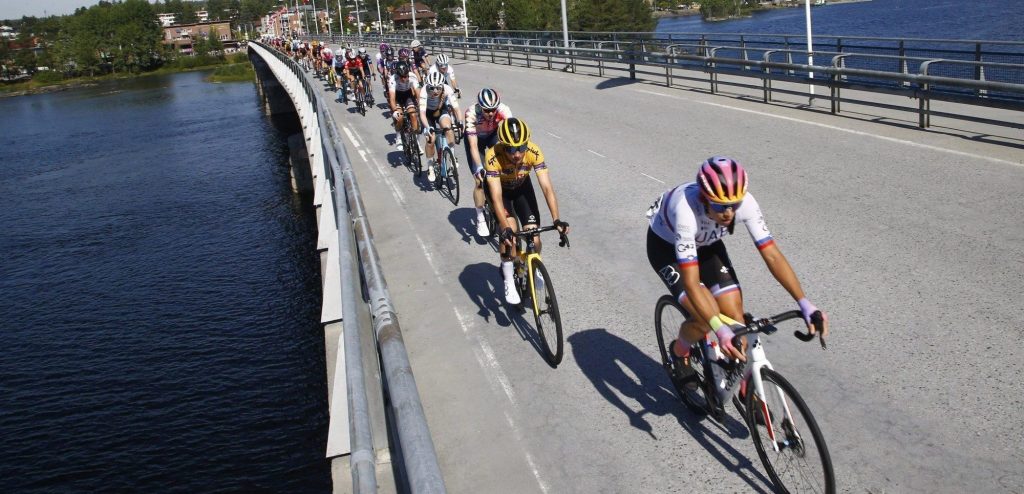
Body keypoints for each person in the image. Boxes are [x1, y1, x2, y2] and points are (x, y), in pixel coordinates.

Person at [645, 156, 828, 385]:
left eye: (735, 204)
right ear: (704, 198)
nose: (729, 213)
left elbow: (772, 255)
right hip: (667, 249)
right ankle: (680, 352)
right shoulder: (686, 212)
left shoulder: (746, 203)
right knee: (704, 319)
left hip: (706, 244)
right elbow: (691, 283)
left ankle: (742, 383)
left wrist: (804, 303)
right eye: (721, 206)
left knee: (735, 318)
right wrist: (718, 329)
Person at [484, 118, 569, 305]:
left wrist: (557, 220)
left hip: (522, 187)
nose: (517, 154)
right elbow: (497, 197)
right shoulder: (493, 156)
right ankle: (508, 277)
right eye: (511, 149)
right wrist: (504, 226)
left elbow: (547, 187)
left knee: (535, 237)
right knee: (510, 238)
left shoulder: (534, 151)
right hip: (501, 192)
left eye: (521, 147)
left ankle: (532, 266)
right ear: (503, 146)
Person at [464, 88, 512, 237]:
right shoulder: (471, 113)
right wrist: (479, 168)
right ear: (480, 106)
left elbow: (508, 138)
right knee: (479, 180)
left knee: (502, 169)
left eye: (493, 110)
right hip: (475, 139)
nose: (491, 113)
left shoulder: (504, 110)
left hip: (492, 136)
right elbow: (472, 145)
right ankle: (480, 217)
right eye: (487, 110)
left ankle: (502, 203)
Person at [418, 70, 463, 183]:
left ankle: (452, 156)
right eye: (432, 88)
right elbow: (422, 114)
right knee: (431, 139)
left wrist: (460, 122)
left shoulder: (447, 89)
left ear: (442, 86)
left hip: (440, 110)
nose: (435, 91)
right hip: (428, 115)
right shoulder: (423, 91)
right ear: (428, 86)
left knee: (448, 129)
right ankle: (430, 166)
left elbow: (456, 109)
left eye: (438, 88)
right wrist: (427, 127)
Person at [387, 61, 421, 151]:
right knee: (400, 117)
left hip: (408, 95)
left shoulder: (413, 76)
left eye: (406, 76)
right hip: (397, 97)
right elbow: (392, 98)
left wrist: (422, 106)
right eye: (402, 77)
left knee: (413, 115)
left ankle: (416, 142)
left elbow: (418, 94)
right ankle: (398, 137)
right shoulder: (392, 79)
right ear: (398, 75)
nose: (405, 79)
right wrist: (395, 111)